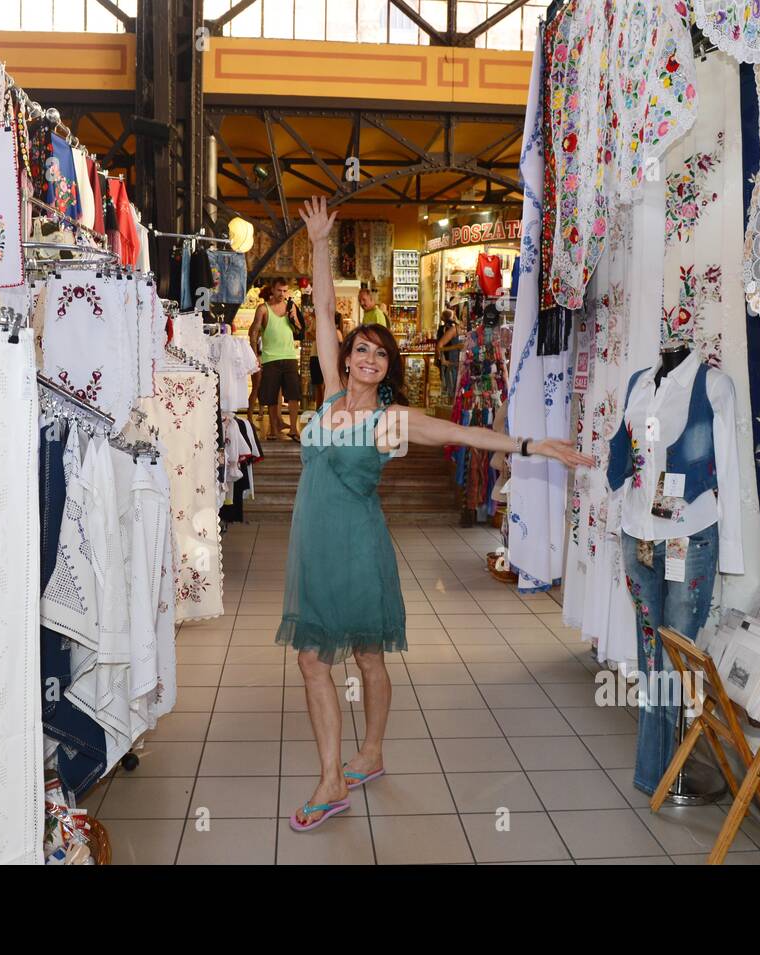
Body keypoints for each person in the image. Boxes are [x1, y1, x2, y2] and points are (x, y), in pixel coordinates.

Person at [280, 196, 594, 832]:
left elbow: (464, 435)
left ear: (388, 369)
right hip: (312, 548)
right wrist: (318, 245)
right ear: (345, 356)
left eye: (379, 355)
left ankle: (358, 761)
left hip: (358, 550)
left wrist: (531, 446)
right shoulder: (328, 392)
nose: (367, 358)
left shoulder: (392, 420)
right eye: (360, 349)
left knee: (368, 659)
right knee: (313, 660)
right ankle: (338, 772)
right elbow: (318, 312)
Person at [249, 277, 304, 441]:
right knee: (271, 397)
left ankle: (294, 429)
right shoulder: (263, 309)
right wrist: (254, 355)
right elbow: (253, 332)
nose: (282, 294)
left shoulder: (291, 306)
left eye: (285, 290)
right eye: (279, 290)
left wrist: (293, 316)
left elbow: (300, 329)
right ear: (272, 290)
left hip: (289, 356)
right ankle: (274, 429)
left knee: (294, 394)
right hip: (270, 358)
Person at [435, 308, 463, 401]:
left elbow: (438, 344)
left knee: (452, 388)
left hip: (452, 362)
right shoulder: (453, 328)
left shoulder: (443, 328)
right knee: (452, 388)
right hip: (451, 362)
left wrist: (439, 358)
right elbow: (440, 345)